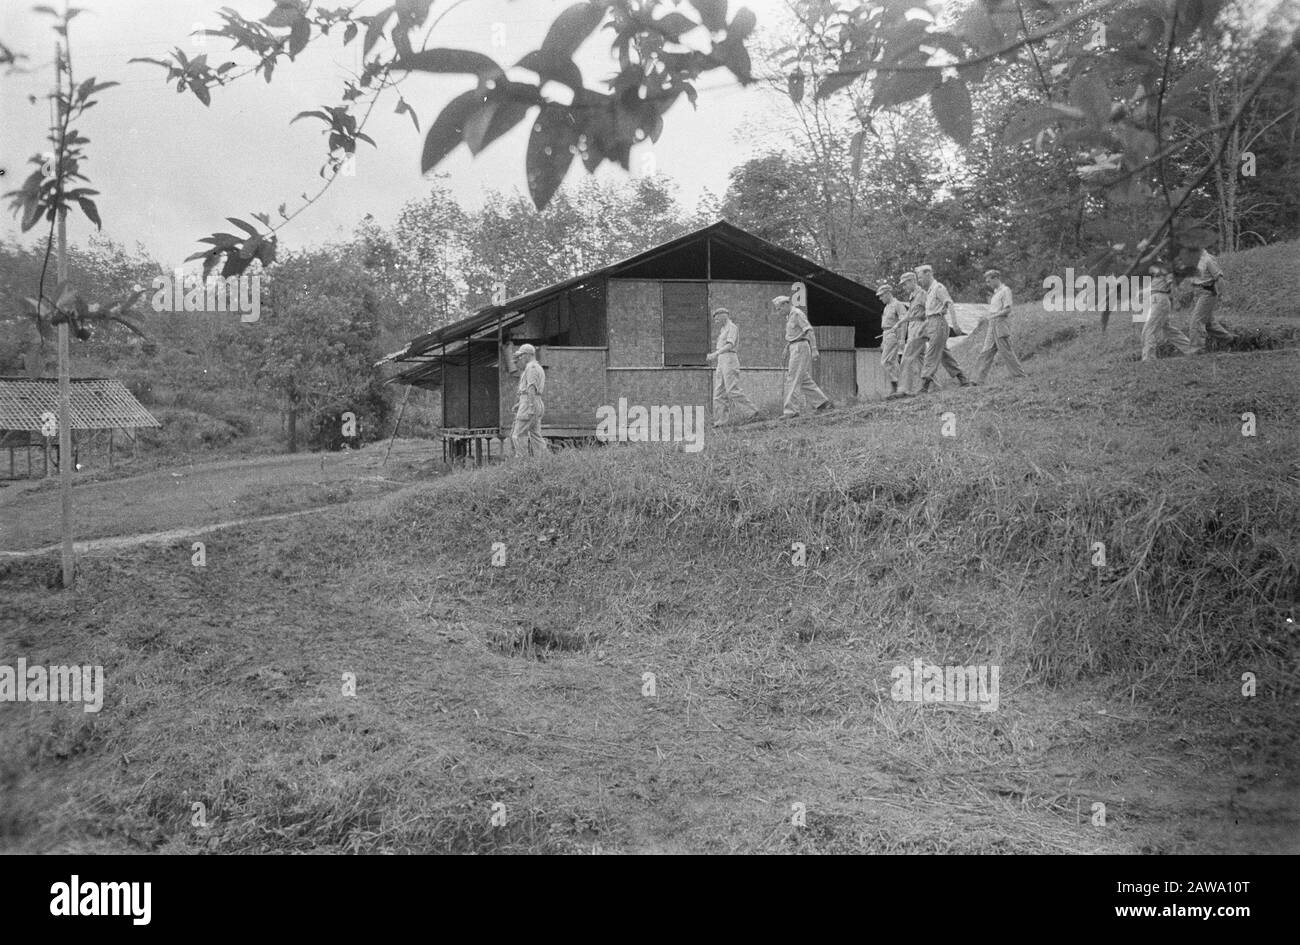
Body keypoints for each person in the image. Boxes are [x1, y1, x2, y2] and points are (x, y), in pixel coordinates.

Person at [915, 265, 974, 393]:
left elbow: (949, 304)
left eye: (920, 277)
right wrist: (923, 326)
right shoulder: (929, 291)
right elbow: (931, 312)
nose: (919, 281)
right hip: (932, 324)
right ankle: (963, 379)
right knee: (944, 354)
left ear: (928, 274)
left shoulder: (938, 288)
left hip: (939, 324)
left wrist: (956, 324)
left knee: (931, 354)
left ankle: (924, 386)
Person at [775, 295, 831, 419]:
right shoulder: (789, 316)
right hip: (794, 346)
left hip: (800, 347)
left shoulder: (797, 314)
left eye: (779, 309)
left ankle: (791, 411)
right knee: (803, 378)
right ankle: (822, 402)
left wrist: (814, 349)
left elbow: (808, 331)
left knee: (793, 378)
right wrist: (787, 347)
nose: (778, 312)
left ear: (785, 304)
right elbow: (794, 335)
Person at [973, 268, 1027, 383]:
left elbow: (1008, 310)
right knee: (986, 351)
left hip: (1000, 323)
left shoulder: (1005, 290)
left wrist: (994, 316)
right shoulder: (996, 293)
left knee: (1006, 351)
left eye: (989, 281)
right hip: (992, 324)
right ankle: (977, 380)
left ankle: (1019, 376)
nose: (988, 284)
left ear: (996, 278)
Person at [706, 307, 758, 427]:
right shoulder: (723, 329)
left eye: (717, 317)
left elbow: (730, 344)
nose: (716, 321)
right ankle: (721, 421)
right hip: (721, 360)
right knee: (719, 391)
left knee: (731, 389)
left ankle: (752, 411)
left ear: (724, 315)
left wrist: (715, 354)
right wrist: (718, 355)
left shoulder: (732, 327)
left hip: (729, 358)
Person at [1141, 264, 1198, 361]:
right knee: (1168, 330)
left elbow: (1171, 286)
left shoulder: (1165, 270)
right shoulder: (1158, 272)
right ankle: (1190, 349)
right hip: (1158, 300)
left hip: (1160, 300)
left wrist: (1176, 301)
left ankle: (1148, 359)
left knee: (1148, 330)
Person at [889, 271, 927, 399]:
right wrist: (899, 323)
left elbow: (930, 311)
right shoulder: (913, 296)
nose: (904, 288)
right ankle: (933, 387)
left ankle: (904, 389)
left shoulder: (922, 294)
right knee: (921, 360)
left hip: (919, 329)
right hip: (913, 329)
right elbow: (909, 314)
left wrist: (925, 327)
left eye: (905, 284)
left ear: (912, 281)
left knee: (907, 358)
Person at [1188, 247, 1233, 352]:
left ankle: (1197, 350)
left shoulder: (1208, 260)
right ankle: (1229, 340)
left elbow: (1219, 278)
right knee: (1209, 324)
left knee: (1196, 322)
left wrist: (1225, 295)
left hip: (1207, 294)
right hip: (1199, 293)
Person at [510, 343, 549, 457]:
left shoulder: (531, 368)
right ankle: (546, 461)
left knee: (517, 435)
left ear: (528, 355)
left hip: (529, 403)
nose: (520, 359)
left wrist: (530, 406)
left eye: (521, 356)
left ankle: (522, 462)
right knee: (536, 435)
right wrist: (519, 403)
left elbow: (531, 388)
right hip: (534, 402)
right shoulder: (537, 367)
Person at [876, 282, 906, 397]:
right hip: (886, 334)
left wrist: (902, 339)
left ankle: (896, 385)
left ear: (888, 293)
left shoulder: (897, 304)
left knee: (885, 362)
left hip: (894, 335)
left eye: (882, 295)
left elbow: (904, 322)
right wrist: (883, 340)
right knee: (893, 362)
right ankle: (900, 389)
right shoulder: (886, 307)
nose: (880, 298)